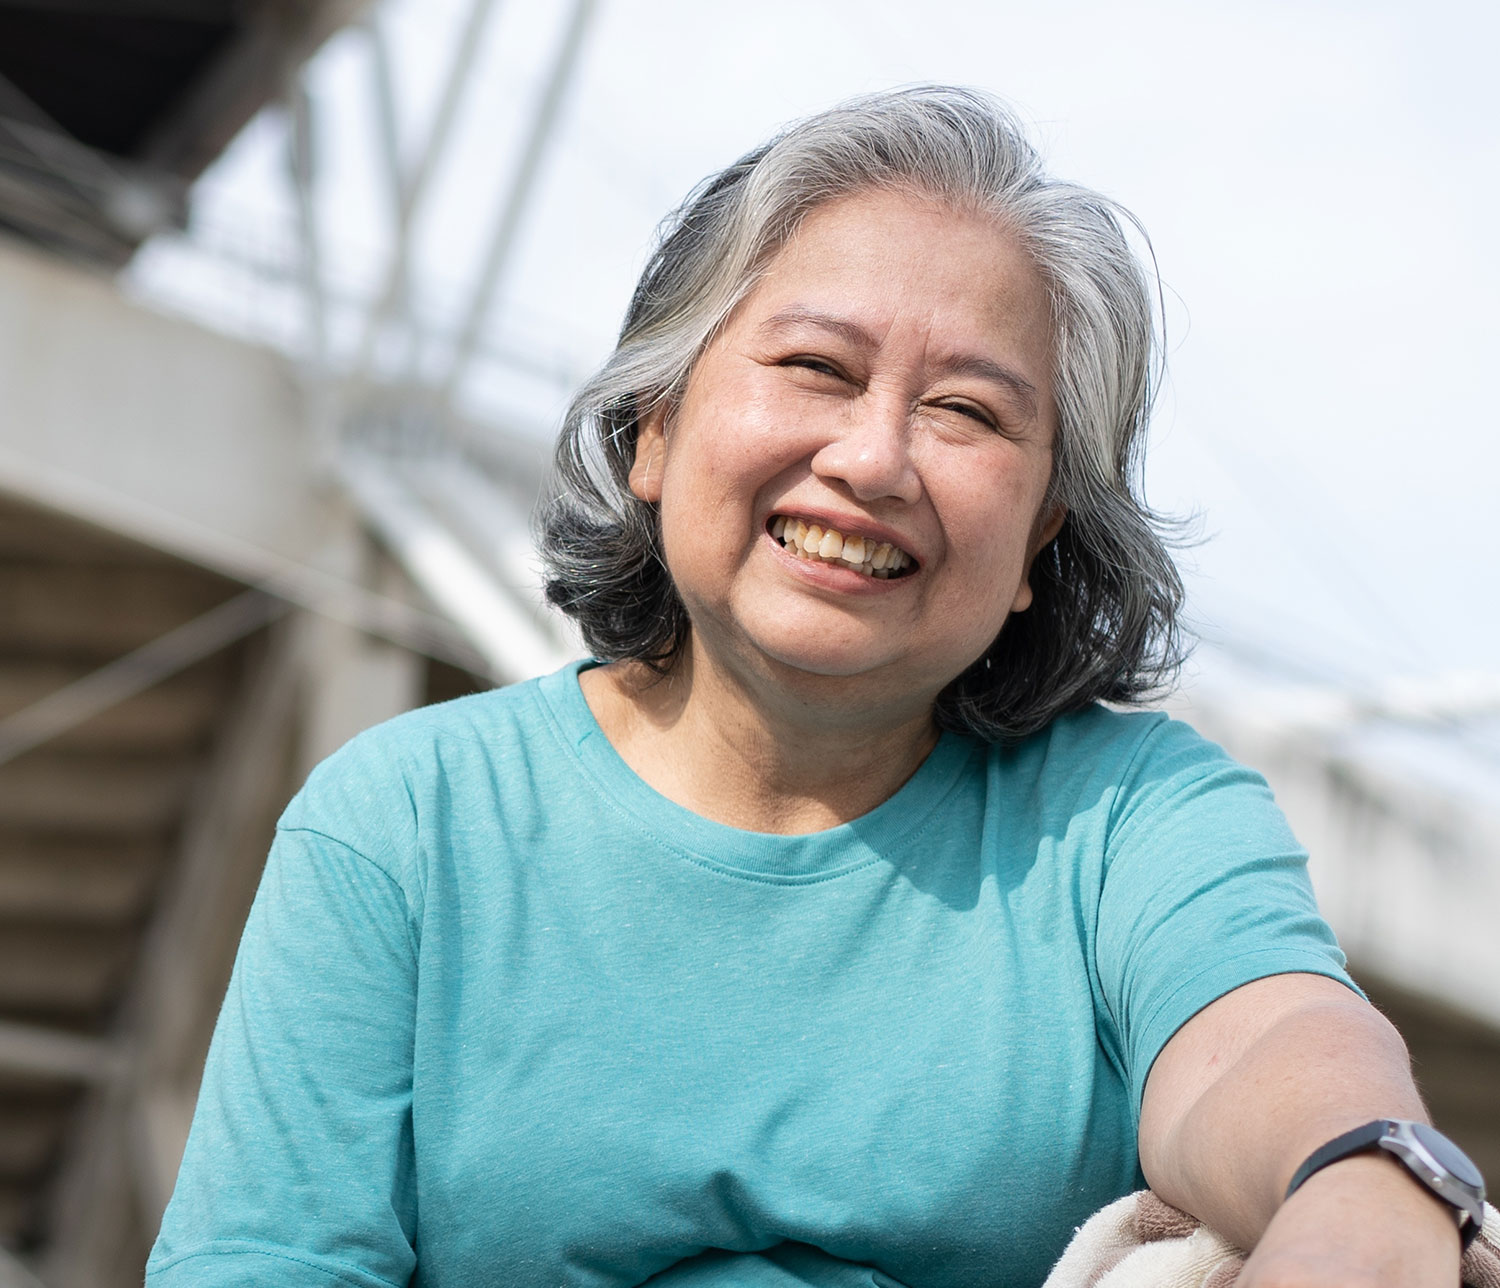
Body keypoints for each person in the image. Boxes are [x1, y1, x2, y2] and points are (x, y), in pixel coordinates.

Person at [147, 87, 1482, 1288]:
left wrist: (1370, 1181)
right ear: (654, 429)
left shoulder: (1132, 819)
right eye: (815, 369)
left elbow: (1262, 1040)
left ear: (1039, 546)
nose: (875, 458)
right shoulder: (405, 825)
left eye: (968, 411)